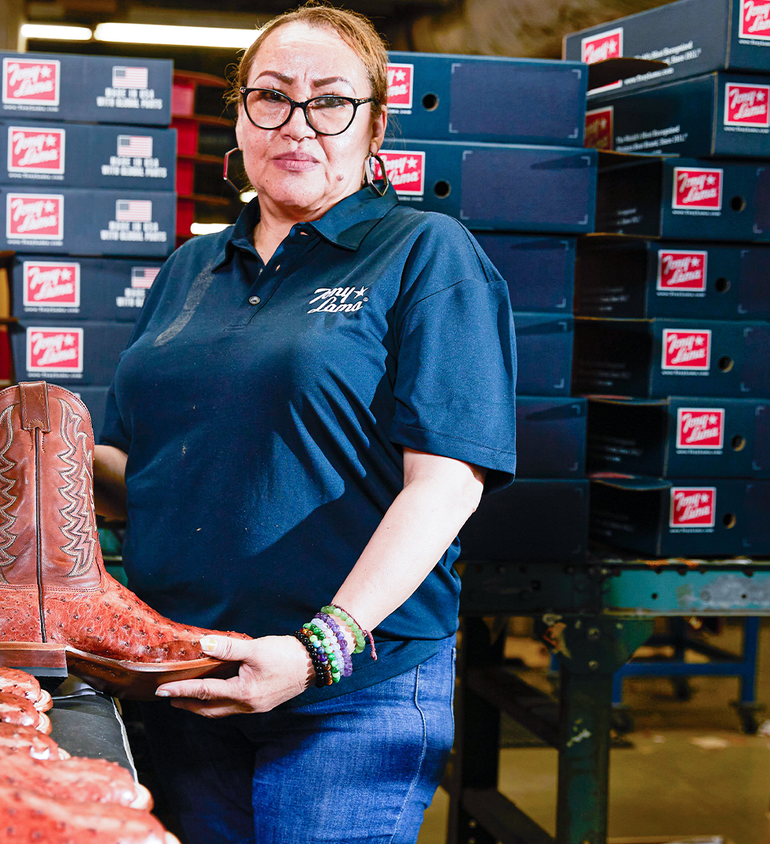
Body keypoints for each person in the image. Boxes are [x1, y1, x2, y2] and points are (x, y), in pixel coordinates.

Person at [92, 2, 517, 841]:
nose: (299, 123)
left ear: (375, 125)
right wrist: (40, 455)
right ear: (242, 116)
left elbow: (446, 484)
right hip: (186, 679)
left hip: (347, 692)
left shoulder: (423, 253)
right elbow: (135, 470)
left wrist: (320, 648)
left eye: (330, 101)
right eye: (272, 96)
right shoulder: (191, 268)